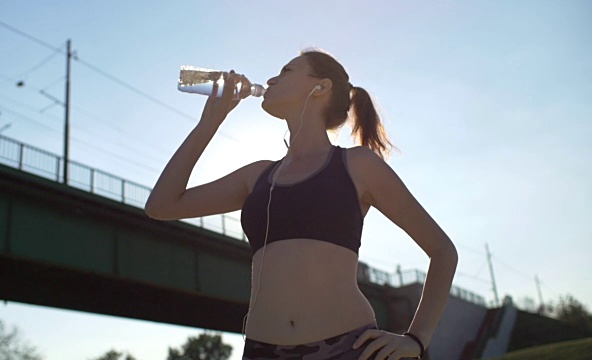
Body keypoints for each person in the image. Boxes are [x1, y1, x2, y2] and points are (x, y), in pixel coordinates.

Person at [145, 49, 458, 360]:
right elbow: (161, 206)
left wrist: (417, 338)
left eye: (286, 71)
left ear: (320, 87)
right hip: (261, 351)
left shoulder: (357, 165)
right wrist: (208, 123)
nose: (270, 79)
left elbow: (442, 250)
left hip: (347, 348)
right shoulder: (257, 175)